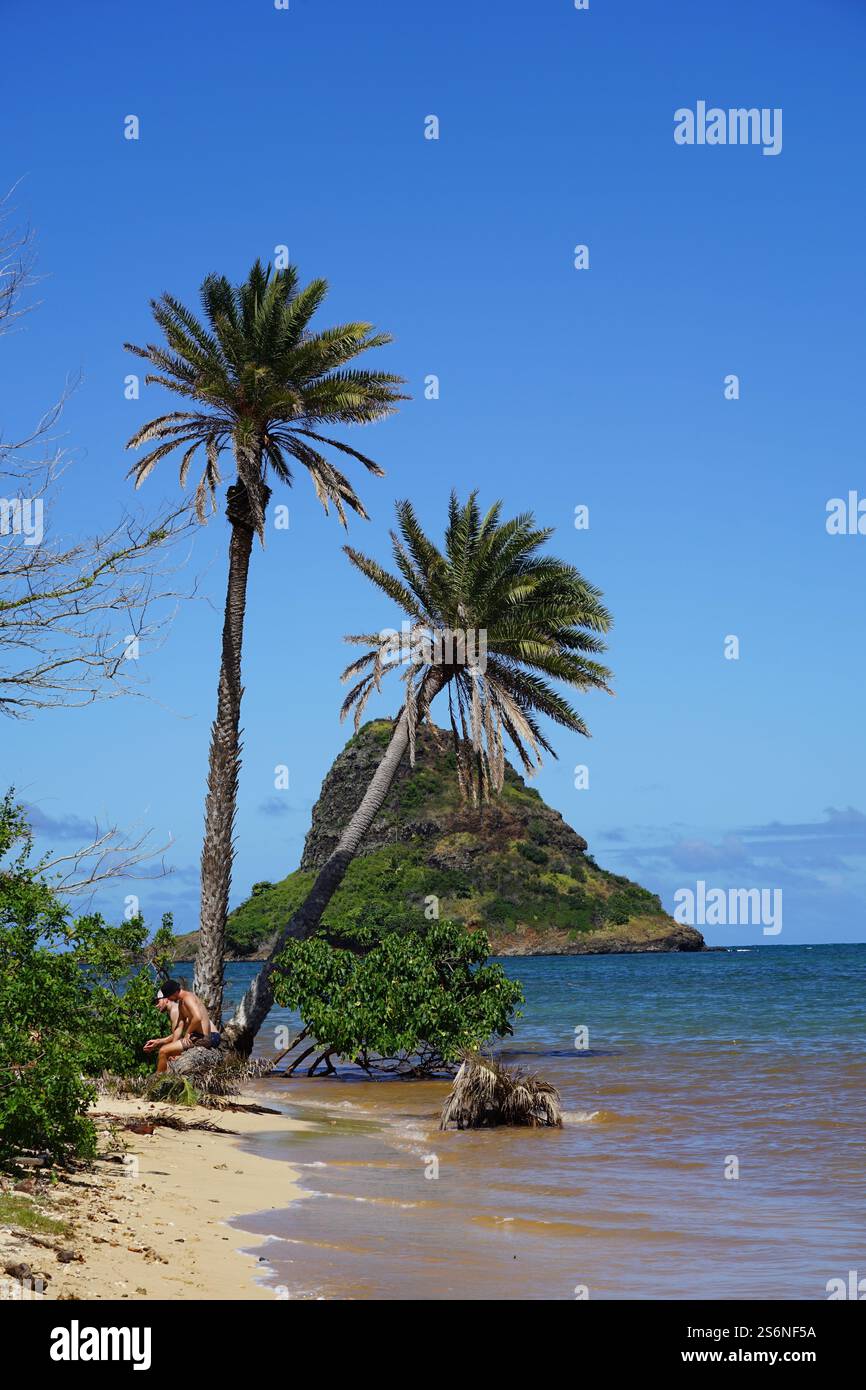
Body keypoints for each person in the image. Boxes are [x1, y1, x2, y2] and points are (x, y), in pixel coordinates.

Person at [144, 980, 221, 1072]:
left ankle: (158, 1079)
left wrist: (187, 1034)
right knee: (166, 1050)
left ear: (175, 992)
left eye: (168, 996)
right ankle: (162, 1076)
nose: (168, 999)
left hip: (205, 1037)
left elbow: (197, 1017)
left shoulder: (188, 998)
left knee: (163, 1051)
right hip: (198, 1036)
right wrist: (173, 1045)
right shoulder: (181, 1003)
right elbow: (180, 1026)